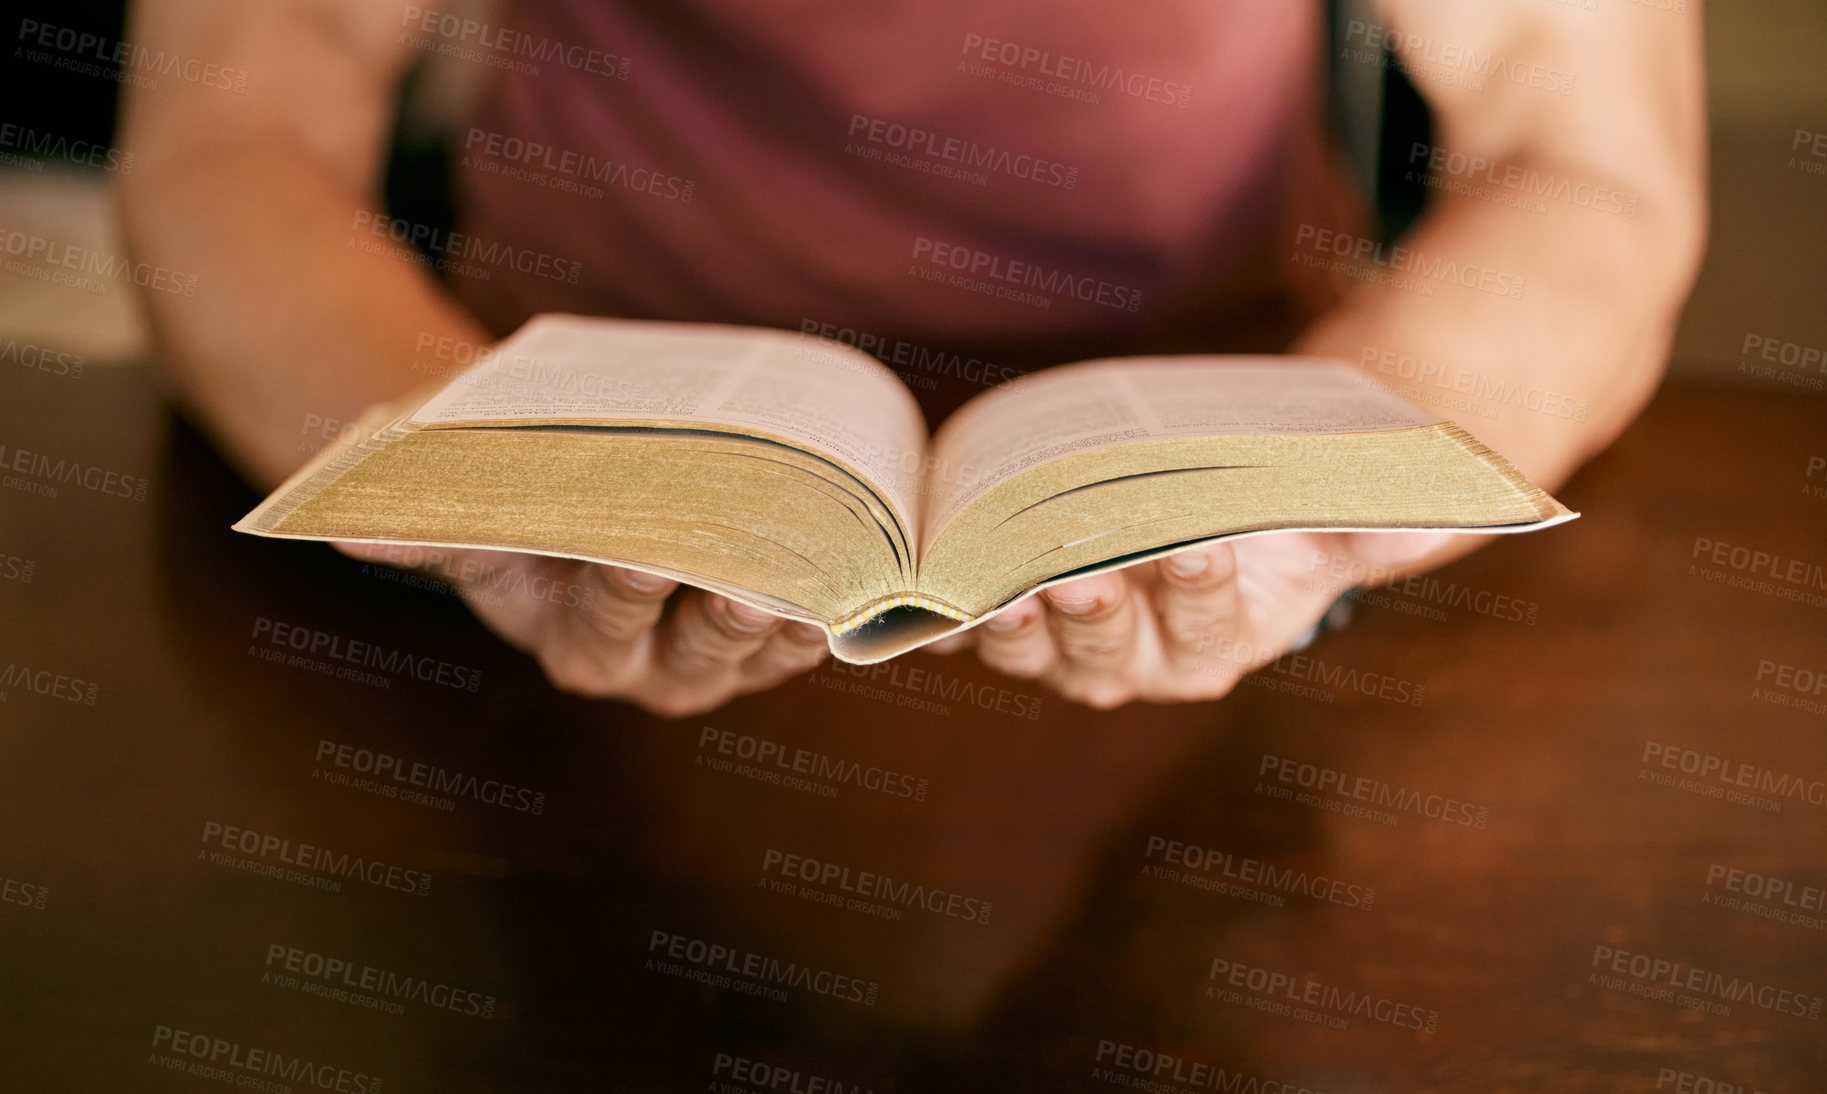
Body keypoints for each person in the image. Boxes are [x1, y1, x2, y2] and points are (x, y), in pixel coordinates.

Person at [118, 0, 1705, 715]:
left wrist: (1338, 498)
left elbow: (1585, 153)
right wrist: (457, 476)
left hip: (1223, 542)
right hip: (554, 547)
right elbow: (231, 132)